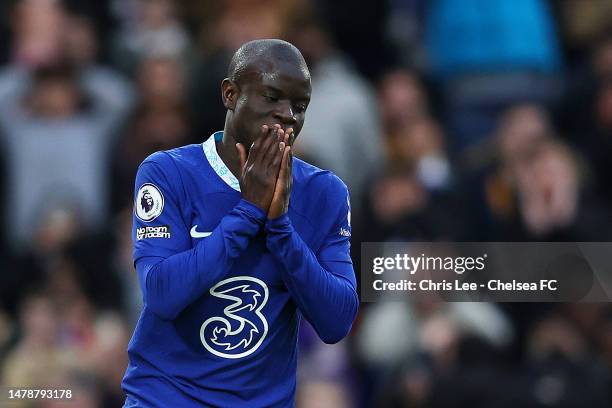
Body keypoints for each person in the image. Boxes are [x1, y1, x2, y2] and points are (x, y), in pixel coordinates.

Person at [122, 39, 359, 407]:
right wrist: (248, 212)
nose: (288, 116)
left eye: (299, 106)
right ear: (231, 94)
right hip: (165, 398)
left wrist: (280, 228)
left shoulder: (325, 192)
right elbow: (162, 295)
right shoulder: (168, 172)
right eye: (272, 97)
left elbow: (337, 320)